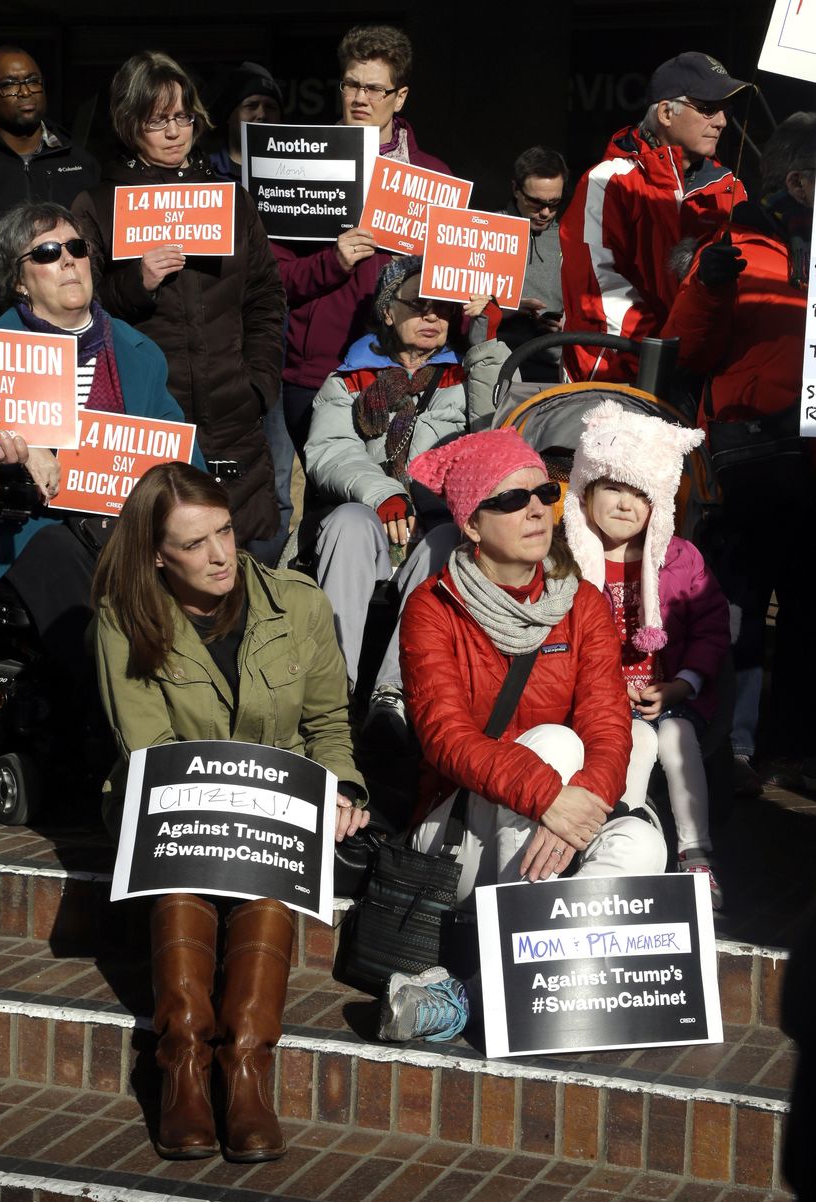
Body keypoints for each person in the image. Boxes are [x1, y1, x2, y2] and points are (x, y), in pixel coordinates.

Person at [92, 461, 368, 1162]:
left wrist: (341, 789)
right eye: (195, 543)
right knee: (186, 874)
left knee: (267, 869)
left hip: (273, 809)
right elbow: (148, 748)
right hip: (175, 807)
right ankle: (183, 1060)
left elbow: (330, 724)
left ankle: (246, 1065)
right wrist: (230, 806)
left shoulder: (298, 603)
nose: (220, 555)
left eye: (224, 532)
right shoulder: (125, 618)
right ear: (157, 553)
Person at [399, 429, 667, 912]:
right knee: (555, 742)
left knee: (643, 844)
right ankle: (507, 966)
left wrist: (573, 804)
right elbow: (447, 738)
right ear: (473, 525)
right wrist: (547, 797)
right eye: (512, 499)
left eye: (545, 493)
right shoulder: (433, 607)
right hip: (458, 828)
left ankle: (549, 977)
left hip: (560, 810)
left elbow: (607, 721)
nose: (538, 509)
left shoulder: (582, 602)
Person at [0, 200, 201, 665]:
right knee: (87, 602)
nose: (67, 260)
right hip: (31, 532)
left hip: (126, 526)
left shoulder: (139, 351)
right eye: (45, 252)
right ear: (19, 281)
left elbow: (182, 455)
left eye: (76, 247)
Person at [72, 51, 285, 551]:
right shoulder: (98, 204)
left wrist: (258, 382)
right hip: (149, 417)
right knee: (159, 559)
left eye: (182, 117)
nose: (174, 132)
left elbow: (265, 298)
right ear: (128, 123)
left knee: (240, 558)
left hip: (234, 413)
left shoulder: (229, 198)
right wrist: (135, 284)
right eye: (157, 120)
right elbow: (76, 309)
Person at [663, 112, 815, 794]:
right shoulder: (735, 248)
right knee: (745, 600)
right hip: (754, 448)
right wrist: (709, 288)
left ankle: (787, 752)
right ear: (800, 182)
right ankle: (731, 745)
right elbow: (689, 350)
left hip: (806, 452)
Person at [305, 256, 507, 728]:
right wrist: (381, 494)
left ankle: (393, 691)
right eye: (418, 305)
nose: (432, 316)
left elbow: (497, 433)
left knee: (449, 544)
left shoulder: (467, 374)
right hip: (372, 517)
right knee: (347, 523)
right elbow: (331, 449)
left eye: (442, 307)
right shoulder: (349, 377)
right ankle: (333, 689)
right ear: (389, 311)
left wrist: (489, 345)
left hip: (436, 523)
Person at [563, 401, 729, 908]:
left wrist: (683, 683)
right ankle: (620, 830)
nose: (625, 504)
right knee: (631, 741)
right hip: (595, 699)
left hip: (668, 692)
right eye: (612, 487)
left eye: (641, 494)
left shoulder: (678, 559)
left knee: (675, 737)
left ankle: (696, 852)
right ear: (585, 492)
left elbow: (710, 627)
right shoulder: (567, 562)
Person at [274, 23, 449, 459]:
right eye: (351, 84)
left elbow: (452, 279)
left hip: (407, 366)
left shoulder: (434, 177)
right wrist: (331, 262)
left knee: (402, 500)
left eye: (375, 89)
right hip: (318, 367)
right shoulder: (301, 164)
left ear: (400, 96)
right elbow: (273, 277)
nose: (360, 98)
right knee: (318, 501)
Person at [560, 52, 750, 383]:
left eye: (725, 110)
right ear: (665, 112)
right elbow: (596, 288)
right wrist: (665, 357)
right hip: (616, 381)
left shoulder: (731, 190)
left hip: (701, 385)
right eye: (707, 108)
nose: (720, 121)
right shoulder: (610, 180)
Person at [0, 45, 99, 322]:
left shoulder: (82, 164)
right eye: (9, 86)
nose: (25, 92)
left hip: (72, 333)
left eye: (33, 81)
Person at [210, 61, 294, 565]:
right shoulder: (204, 177)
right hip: (215, 354)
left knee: (277, 482)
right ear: (227, 116)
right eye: (249, 105)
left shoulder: (296, 170)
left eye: (269, 106)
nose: (260, 113)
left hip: (272, 352)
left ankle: (259, 575)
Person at [497, 146, 568, 383]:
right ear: (516, 189)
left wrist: (567, 321)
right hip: (498, 366)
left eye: (555, 203)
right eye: (536, 203)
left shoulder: (571, 239)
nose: (546, 212)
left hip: (554, 367)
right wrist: (509, 310)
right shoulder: (484, 231)